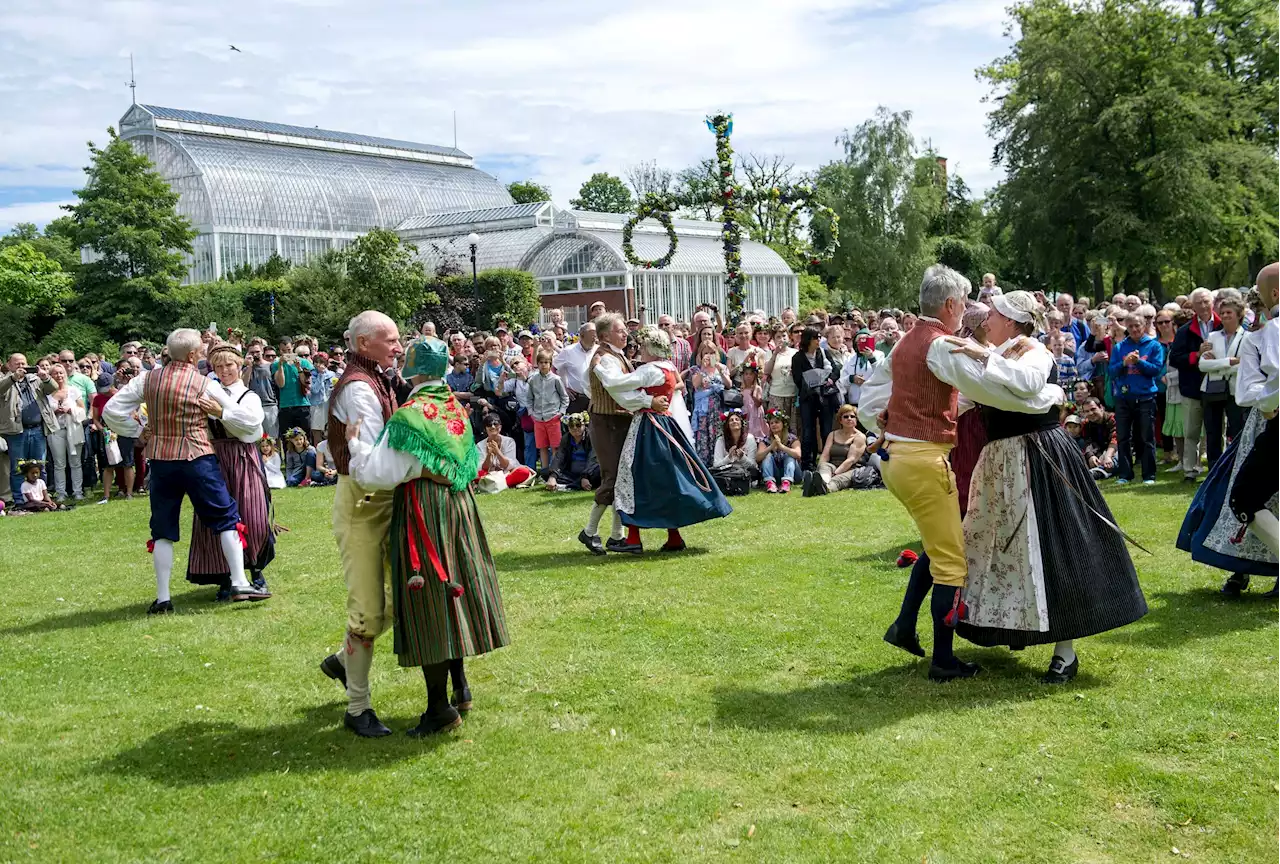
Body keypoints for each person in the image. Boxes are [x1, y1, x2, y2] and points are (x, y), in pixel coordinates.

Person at [941, 291, 1146, 683]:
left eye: (996, 315)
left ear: (1014, 321)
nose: (988, 321)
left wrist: (984, 357)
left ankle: (1065, 653)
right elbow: (964, 401)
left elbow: (1029, 382)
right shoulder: (997, 350)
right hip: (1000, 461)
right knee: (996, 547)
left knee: (1052, 546)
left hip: (1038, 455)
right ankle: (1013, 625)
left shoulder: (1034, 351)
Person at [344, 335, 508, 736]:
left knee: (430, 598)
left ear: (413, 370)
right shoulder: (453, 404)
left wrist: (354, 443)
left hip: (424, 510)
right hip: (459, 506)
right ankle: (461, 688)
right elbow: (467, 462)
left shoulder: (410, 415)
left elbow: (375, 474)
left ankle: (439, 709)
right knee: (455, 589)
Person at [858, 265, 990, 682]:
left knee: (936, 546)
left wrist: (885, 421)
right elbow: (987, 388)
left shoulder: (905, 342)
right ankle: (943, 660)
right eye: (964, 302)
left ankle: (903, 626)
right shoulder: (940, 345)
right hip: (922, 461)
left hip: (899, 458)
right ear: (951, 304)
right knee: (952, 561)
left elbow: (877, 398)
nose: (966, 309)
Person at [104, 328, 271, 614]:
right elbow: (250, 421)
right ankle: (240, 582)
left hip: (161, 461)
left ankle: (163, 598)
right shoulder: (203, 383)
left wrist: (139, 431)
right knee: (226, 518)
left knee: (163, 530)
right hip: (198, 459)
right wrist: (224, 414)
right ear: (194, 355)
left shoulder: (147, 378)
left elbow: (111, 411)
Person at [318, 310, 403, 738]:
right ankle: (357, 708)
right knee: (369, 611)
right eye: (390, 340)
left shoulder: (380, 378)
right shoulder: (358, 389)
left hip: (384, 499)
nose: (399, 346)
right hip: (362, 502)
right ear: (363, 343)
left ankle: (341, 660)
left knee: (403, 599)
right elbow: (369, 466)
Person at [1180, 263, 1280, 596]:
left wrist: (1270, 401)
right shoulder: (1255, 337)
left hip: (1269, 421)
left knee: (1248, 496)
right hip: (1258, 424)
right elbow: (1246, 391)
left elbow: (1254, 390)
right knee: (1241, 495)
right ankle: (1239, 569)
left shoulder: (1260, 336)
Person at [612, 326, 730, 552]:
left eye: (643, 347)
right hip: (666, 423)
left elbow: (620, 384)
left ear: (651, 348)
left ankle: (633, 538)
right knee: (669, 476)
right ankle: (673, 536)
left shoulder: (649, 369)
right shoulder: (668, 366)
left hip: (649, 425)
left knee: (635, 474)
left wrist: (601, 371)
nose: (639, 351)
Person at [186, 342, 275, 600]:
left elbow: (252, 425)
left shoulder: (250, 396)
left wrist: (222, 412)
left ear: (239, 366)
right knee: (218, 516)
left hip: (243, 456)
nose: (225, 370)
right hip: (214, 458)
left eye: (229, 365)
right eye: (219, 366)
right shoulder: (208, 393)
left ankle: (256, 572)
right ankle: (226, 576)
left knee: (253, 514)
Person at [579, 313, 670, 555]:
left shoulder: (615, 355)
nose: (625, 334)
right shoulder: (604, 358)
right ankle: (589, 532)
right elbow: (618, 390)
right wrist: (649, 400)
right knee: (613, 477)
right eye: (620, 331)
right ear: (605, 335)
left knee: (623, 477)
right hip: (607, 422)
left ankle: (617, 536)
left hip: (617, 420)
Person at [1169, 287, 1220, 481]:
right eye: (1199, 302)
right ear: (1193, 306)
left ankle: (1216, 469)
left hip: (1218, 386)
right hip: (1192, 387)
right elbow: (1175, 358)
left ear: (1212, 302)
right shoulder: (1184, 331)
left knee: (1216, 431)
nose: (1203, 306)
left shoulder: (1224, 325)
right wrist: (1196, 355)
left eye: (1206, 301)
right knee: (1191, 431)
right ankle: (1190, 470)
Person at [1109, 311, 1164, 485]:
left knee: (1146, 437)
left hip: (1146, 396)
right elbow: (1111, 371)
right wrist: (1124, 363)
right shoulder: (1119, 347)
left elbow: (1155, 370)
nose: (1134, 329)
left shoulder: (1154, 346)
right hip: (1124, 397)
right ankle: (1125, 474)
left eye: (1137, 326)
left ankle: (1149, 475)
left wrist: (1139, 362)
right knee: (1123, 436)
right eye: (1130, 326)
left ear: (1144, 326)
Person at [1198, 290, 1247, 468]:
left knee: (1236, 430)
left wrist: (1217, 363)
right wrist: (1229, 361)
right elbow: (1203, 365)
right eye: (1223, 312)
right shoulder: (1212, 336)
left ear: (1239, 315)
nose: (1225, 316)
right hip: (1212, 390)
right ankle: (1214, 468)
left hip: (1235, 391)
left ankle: (1235, 466)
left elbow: (1244, 365)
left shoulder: (1247, 338)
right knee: (1213, 432)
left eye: (1229, 312)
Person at [1, 353, 56, 505]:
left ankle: (44, 499)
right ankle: (20, 501)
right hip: (16, 431)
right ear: (9, 365)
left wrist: (45, 377)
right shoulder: (4, 379)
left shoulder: (34, 379)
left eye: (23, 363)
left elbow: (53, 388)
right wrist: (13, 378)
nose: (21, 366)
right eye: (17, 364)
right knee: (18, 468)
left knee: (40, 466)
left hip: (38, 429)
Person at [791, 326, 839, 471]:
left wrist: (830, 379)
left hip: (825, 397)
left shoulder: (823, 353)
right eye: (815, 338)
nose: (818, 340)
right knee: (808, 432)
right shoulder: (797, 358)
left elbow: (835, 369)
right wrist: (813, 381)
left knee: (826, 430)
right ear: (808, 340)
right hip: (808, 398)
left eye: (819, 337)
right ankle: (808, 464)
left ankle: (826, 462)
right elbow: (797, 379)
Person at [803, 403, 875, 496]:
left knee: (838, 480)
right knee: (825, 466)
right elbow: (825, 455)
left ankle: (824, 488)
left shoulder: (860, 437)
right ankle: (822, 481)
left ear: (856, 420)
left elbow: (851, 460)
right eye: (846, 416)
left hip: (851, 469)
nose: (849, 418)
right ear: (840, 420)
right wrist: (820, 468)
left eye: (852, 416)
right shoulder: (832, 434)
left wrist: (836, 473)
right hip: (833, 466)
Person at [520, 349, 569, 474]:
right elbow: (529, 399)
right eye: (541, 362)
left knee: (555, 446)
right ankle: (544, 471)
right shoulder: (533, 380)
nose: (543, 365)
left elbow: (564, 397)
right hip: (538, 418)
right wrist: (531, 413)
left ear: (550, 364)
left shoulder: (556, 379)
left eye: (546, 362)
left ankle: (555, 471)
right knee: (542, 446)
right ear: (538, 363)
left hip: (553, 416)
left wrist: (560, 413)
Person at [44, 362, 86, 502]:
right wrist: (54, 411)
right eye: (55, 373)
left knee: (75, 462)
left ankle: (78, 491)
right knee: (59, 463)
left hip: (73, 429)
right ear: (51, 376)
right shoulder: (47, 393)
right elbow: (44, 413)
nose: (59, 375)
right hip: (56, 430)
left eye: (61, 372)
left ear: (65, 374)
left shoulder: (73, 391)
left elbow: (82, 410)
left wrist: (70, 410)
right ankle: (61, 492)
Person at [689, 343, 730, 465]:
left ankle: (719, 461)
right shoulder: (696, 369)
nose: (709, 355)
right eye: (706, 353)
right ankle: (705, 464)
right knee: (703, 435)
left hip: (719, 407)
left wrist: (720, 371)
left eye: (712, 352)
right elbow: (695, 385)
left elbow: (729, 385)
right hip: (704, 409)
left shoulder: (722, 367)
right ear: (700, 355)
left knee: (718, 434)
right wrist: (703, 369)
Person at [474, 413, 535, 491]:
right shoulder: (480, 445)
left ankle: (493, 484)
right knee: (474, 475)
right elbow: (483, 468)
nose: (493, 427)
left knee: (523, 472)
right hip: (489, 474)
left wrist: (497, 451)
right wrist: (489, 455)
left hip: (507, 473)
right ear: (485, 428)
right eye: (489, 425)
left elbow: (509, 466)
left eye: (495, 424)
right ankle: (499, 484)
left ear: (500, 427)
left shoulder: (509, 441)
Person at [545, 413, 600, 491]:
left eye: (578, 425)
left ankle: (569, 486)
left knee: (599, 472)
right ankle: (575, 484)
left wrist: (585, 476)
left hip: (589, 473)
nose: (575, 428)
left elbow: (593, 459)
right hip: (571, 473)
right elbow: (559, 457)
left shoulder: (591, 437)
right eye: (571, 426)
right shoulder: (566, 438)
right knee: (545, 472)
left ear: (584, 425)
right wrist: (553, 476)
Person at [272, 339, 313, 437]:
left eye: (288, 350)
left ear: (293, 347)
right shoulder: (275, 365)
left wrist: (299, 368)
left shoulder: (304, 362)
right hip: (285, 406)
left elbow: (306, 383)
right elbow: (281, 384)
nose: (286, 353)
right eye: (283, 351)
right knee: (287, 439)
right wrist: (280, 365)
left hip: (302, 404)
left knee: (305, 437)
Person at [755, 409, 801, 493]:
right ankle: (770, 483)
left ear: (783, 424)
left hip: (794, 474)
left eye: (777, 422)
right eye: (771, 423)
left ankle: (786, 483)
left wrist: (782, 447)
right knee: (767, 455)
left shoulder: (792, 438)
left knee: (789, 455)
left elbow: (798, 454)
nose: (773, 425)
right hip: (775, 474)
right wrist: (770, 447)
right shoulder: (765, 440)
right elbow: (758, 458)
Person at [839, 332, 882, 408]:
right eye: (859, 341)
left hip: (872, 402)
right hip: (854, 403)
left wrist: (871, 358)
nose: (862, 343)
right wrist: (851, 378)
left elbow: (881, 374)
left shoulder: (879, 355)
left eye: (865, 340)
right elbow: (841, 382)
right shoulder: (850, 359)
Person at [712, 409, 758, 476]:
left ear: (741, 423)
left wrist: (742, 457)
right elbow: (716, 465)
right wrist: (729, 457)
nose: (734, 421)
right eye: (731, 420)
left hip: (746, 475)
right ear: (727, 425)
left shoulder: (750, 438)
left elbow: (753, 465)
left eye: (737, 419)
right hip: (727, 474)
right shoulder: (721, 440)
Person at [308, 351, 338, 446]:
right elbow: (315, 390)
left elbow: (334, 389)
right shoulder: (311, 375)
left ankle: (329, 456)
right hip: (316, 405)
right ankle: (319, 456)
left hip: (328, 405)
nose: (318, 364)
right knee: (316, 432)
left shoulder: (332, 374)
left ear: (326, 363)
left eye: (321, 362)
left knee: (329, 432)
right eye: (316, 362)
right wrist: (320, 375)